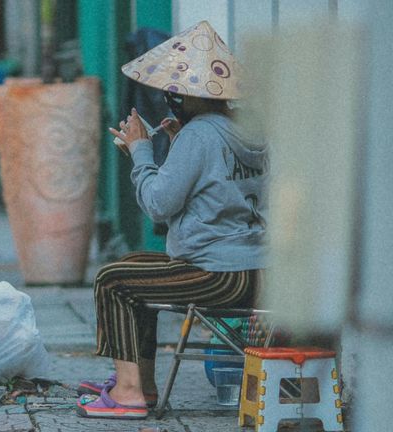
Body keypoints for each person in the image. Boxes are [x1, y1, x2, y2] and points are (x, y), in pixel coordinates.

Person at [76, 21, 268, 420]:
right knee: (131, 268)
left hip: (217, 273)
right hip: (255, 270)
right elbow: (214, 190)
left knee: (112, 280)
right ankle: (140, 385)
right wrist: (175, 146)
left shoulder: (201, 135)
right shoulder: (245, 133)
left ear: (183, 95)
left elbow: (159, 206)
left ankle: (128, 393)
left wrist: (141, 152)